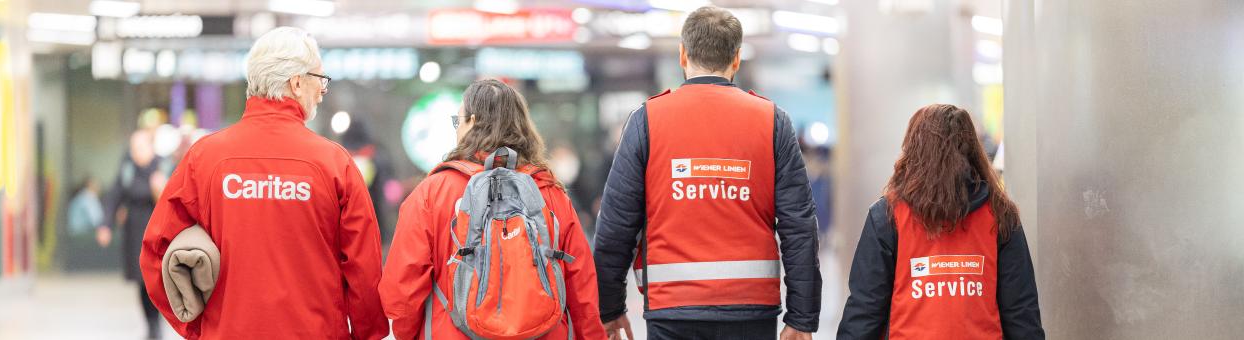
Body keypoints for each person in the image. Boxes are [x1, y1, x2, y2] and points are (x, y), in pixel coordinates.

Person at [138, 27, 388, 339]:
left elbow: (155, 251)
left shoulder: (205, 159)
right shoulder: (335, 164)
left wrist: (197, 327)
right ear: (297, 83)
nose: (322, 91)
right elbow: (364, 270)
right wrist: (366, 334)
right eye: (320, 80)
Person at [592, 6, 822, 340]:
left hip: (672, 310)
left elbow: (616, 226)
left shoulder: (647, 121)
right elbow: (799, 226)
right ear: (737, 58)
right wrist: (802, 317)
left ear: (682, 55)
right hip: (751, 310)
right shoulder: (773, 121)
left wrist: (609, 309)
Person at [379, 79, 606, 340]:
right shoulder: (550, 193)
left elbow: (402, 291)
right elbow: (583, 290)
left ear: (472, 122)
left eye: (458, 121)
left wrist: (409, 333)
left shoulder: (432, 193)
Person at [837, 104, 1044, 339]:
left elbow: (865, 312)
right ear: (972, 151)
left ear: (914, 150)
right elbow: (1021, 315)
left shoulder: (888, 215)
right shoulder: (999, 214)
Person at [102, 128, 170, 340]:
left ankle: (156, 325)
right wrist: (106, 224)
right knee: (141, 282)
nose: (135, 152)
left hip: (156, 231)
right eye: (133, 148)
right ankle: (151, 326)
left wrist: (159, 189)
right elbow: (115, 194)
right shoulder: (128, 167)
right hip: (134, 233)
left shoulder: (163, 167)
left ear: (151, 147)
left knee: (155, 281)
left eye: (139, 147)